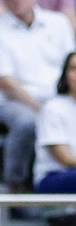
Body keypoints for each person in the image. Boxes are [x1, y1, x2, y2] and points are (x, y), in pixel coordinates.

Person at [0, 0, 75, 191]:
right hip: (15, 100)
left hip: (58, 95)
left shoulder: (58, 23)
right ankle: (15, 185)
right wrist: (41, 107)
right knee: (28, 122)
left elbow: (72, 62)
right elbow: (4, 81)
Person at [35, 53, 76, 197]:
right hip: (54, 176)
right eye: (73, 69)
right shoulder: (53, 108)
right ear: (65, 74)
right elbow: (64, 158)